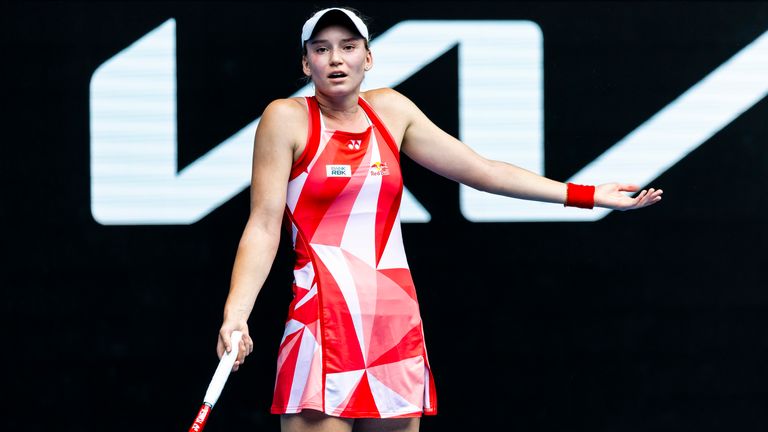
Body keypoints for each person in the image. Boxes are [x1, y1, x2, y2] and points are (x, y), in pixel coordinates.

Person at [215, 7, 663, 432]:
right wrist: (236, 314)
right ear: (306, 62)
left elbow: (483, 172)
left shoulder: (391, 111)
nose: (336, 59)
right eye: (322, 48)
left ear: (368, 58)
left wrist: (588, 196)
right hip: (320, 323)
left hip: (393, 322)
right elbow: (264, 224)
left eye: (348, 46)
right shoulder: (285, 119)